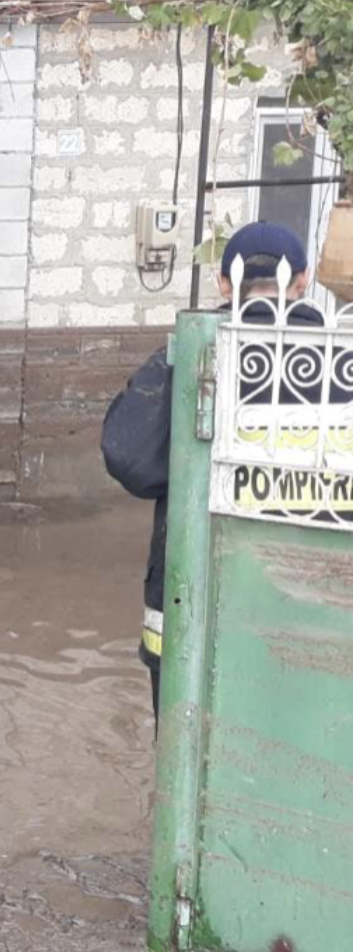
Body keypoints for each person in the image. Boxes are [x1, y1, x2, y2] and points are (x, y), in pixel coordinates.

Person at [101, 221, 316, 718]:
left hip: (191, 592)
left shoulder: (193, 351)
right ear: (301, 280)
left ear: (224, 282)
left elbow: (127, 457)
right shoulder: (338, 355)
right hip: (314, 599)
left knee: (185, 752)